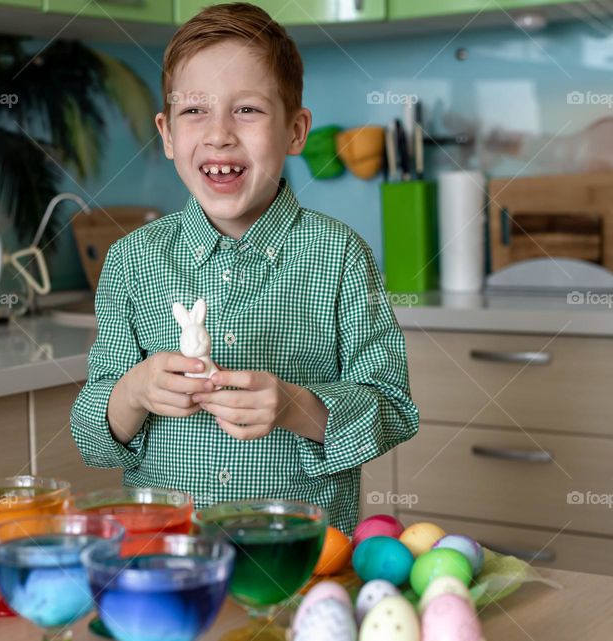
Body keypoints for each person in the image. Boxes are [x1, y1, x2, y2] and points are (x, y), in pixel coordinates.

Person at [71, 2, 418, 533]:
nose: (218, 134)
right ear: (167, 134)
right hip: (172, 560)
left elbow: (393, 410)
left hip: (307, 559)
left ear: (296, 131)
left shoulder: (341, 255)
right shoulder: (130, 261)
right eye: (194, 111)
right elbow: (92, 434)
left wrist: (295, 407)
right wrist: (134, 392)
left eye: (247, 110)